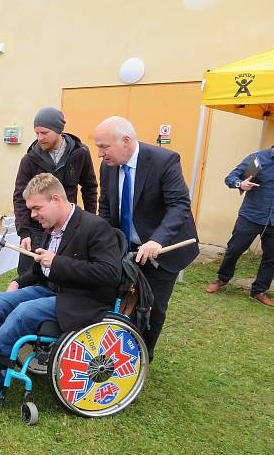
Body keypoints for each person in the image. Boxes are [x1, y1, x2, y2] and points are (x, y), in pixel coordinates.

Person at [0, 173, 122, 396]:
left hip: (83, 299)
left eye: (37, 208)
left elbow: (111, 274)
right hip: (53, 290)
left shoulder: (95, 227)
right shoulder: (52, 227)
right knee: (0, 302)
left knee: (23, 312)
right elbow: (40, 270)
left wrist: (58, 262)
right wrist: (18, 281)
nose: (32, 215)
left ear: (55, 199)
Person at [95, 116, 199, 360]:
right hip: (128, 248)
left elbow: (179, 205)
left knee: (151, 307)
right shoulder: (107, 166)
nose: (99, 154)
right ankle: (114, 350)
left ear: (126, 141)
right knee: (117, 299)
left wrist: (157, 240)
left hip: (164, 250)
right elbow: (107, 208)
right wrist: (100, 239)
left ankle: (141, 358)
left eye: (104, 147)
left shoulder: (164, 161)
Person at [13, 107, 98, 274]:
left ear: (59, 130)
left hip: (69, 227)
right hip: (36, 228)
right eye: (37, 133)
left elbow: (89, 188)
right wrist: (24, 232)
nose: (39, 138)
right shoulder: (29, 159)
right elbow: (19, 196)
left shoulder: (80, 153)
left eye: (44, 133)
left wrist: (90, 221)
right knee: (28, 275)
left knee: (65, 274)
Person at [205, 146, 274, 306]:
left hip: (273, 222)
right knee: (234, 249)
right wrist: (240, 184)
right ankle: (223, 279)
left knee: (271, 257)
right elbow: (231, 178)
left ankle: (259, 291)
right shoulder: (257, 159)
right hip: (251, 216)